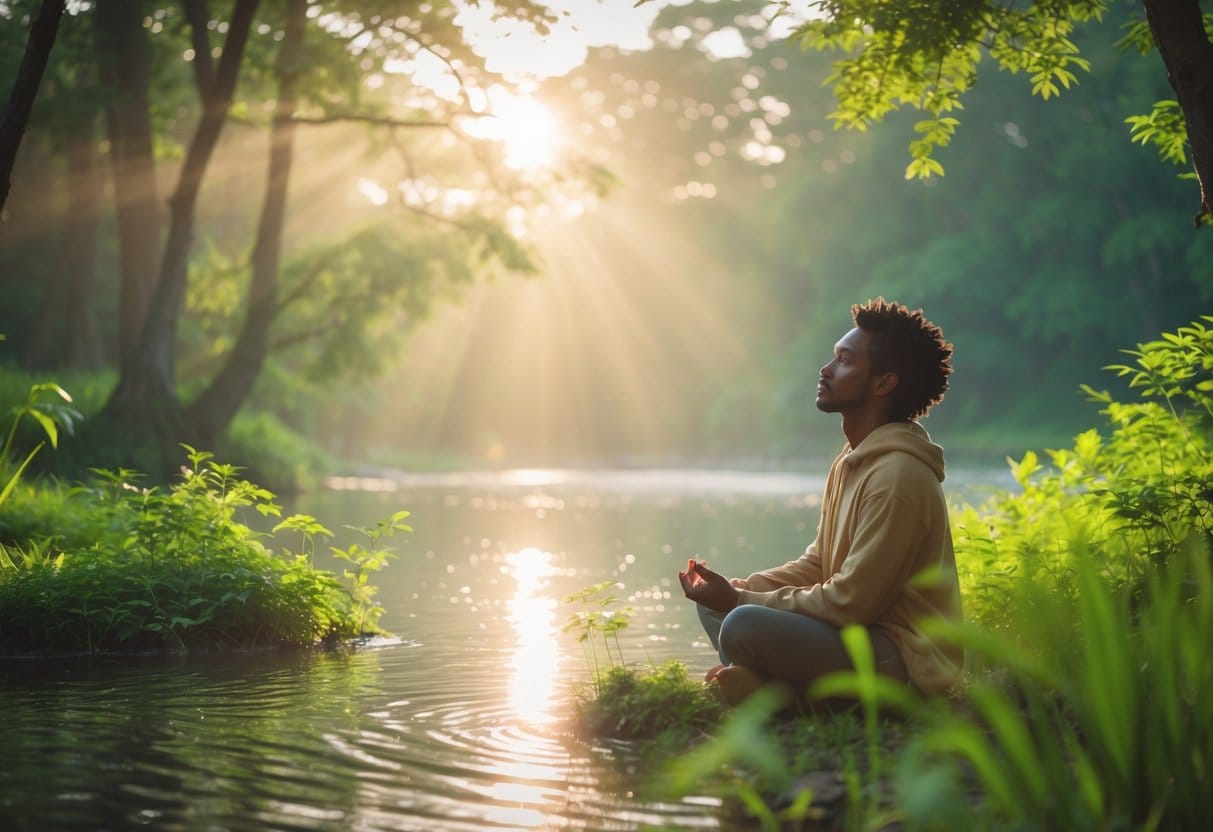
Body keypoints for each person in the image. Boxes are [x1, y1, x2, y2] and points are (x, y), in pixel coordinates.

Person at [679, 298, 963, 705]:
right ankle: (773, 688)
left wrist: (741, 601)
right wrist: (737, 588)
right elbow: (818, 564)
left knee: (740, 621)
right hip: (850, 640)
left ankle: (778, 693)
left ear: (884, 383)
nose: (826, 370)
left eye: (844, 361)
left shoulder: (899, 476)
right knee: (715, 605)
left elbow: (851, 602)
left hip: (900, 660)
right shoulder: (851, 461)